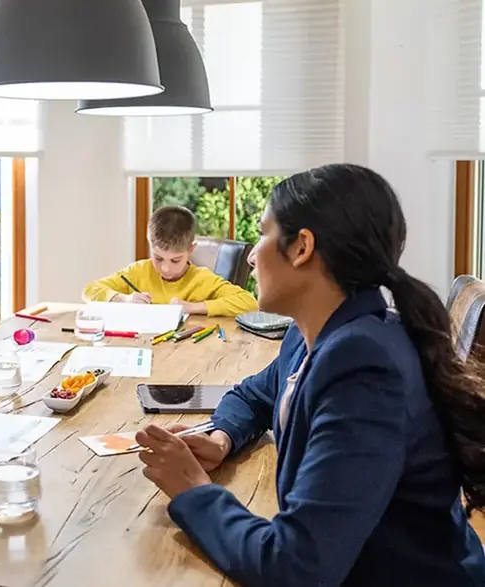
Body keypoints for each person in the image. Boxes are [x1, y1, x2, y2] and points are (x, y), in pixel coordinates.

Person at [134, 164, 485, 586]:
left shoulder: (364, 366)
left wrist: (193, 491)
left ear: (302, 247)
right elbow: (254, 396)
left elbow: (297, 567)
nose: (251, 255)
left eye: (262, 235)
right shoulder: (313, 336)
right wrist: (220, 438)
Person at [81, 205, 257, 316]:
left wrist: (191, 307)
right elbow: (89, 291)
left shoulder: (202, 279)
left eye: (175, 260)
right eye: (158, 258)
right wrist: (124, 299)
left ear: (190, 250)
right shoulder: (139, 271)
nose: (165, 268)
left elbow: (250, 303)